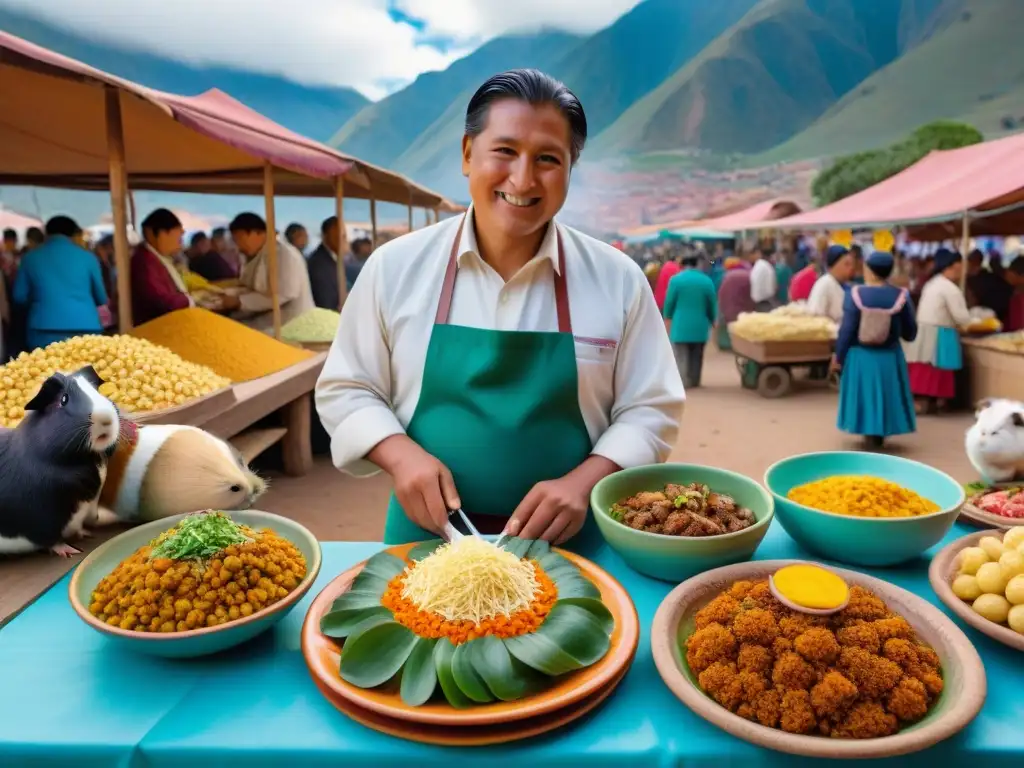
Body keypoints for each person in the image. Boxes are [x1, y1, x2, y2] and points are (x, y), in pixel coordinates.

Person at [315, 69, 685, 550]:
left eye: (548, 158)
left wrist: (585, 482)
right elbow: (349, 387)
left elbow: (650, 407)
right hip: (428, 537)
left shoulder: (617, 279)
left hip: (571, 540)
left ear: (570, 169)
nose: (523, 178)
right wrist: (401, 456)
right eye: (505, 151)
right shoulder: (395, 268)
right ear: (468, 155)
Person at [832, 250, 917, 449]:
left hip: (860, 357)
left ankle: (867, 432)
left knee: (864, 395)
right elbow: (910, 333)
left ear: (868, 270)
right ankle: (880, 433)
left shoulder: (854, 294)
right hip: (890, 357)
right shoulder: (902, 296)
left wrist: (839, 356)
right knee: (886, 395)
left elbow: (847, 330)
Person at [11, 215, 107, 350]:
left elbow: (19, 297)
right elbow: (101, 298)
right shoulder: (89, 258)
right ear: (74, 234)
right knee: (85, 370)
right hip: (86, 326)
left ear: (46, 233)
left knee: (47, 370)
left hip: (43, 328)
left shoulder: (30, 258)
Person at [902, 248, 971, 415]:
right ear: (953, 266)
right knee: (938, 368)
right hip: (941, 333)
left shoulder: (932, 283)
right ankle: (936, 402)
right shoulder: (950, 289)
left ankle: (923, 401)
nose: (962, 270)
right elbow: (962, 318)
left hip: (924, 330)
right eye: (961, 266)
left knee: (924, 368)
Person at [231, 212, 315, 332]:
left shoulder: (284, 254)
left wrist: (239, 301)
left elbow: (284, 294)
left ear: (257, 233)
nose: (238, 246)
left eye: (239, 239)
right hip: (264, 320)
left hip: (290, 324)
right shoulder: (256, 255)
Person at [663, 255, 717, 388]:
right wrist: (713, 319)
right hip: (700, 325)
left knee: (681, 355)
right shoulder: (706, 281)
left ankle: (683, 382)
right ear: (697, 264)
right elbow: (711, 304)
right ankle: (695, 381)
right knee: (697, 355)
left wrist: (667, 317)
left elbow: (669, 303)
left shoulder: (676, 280)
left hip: (680, 325)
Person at [807, 245, 855, 323]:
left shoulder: (847, 287)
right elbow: (815, 317)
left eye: (852, 264)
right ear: (833, 265)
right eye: (846, 264)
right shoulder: (824, 284)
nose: (851, 268)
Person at [716, 256, 753, 351]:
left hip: (727, 303)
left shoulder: (726, 275)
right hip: (743, 304)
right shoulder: (748, 273)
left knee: (726, 323)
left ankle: (725, 344)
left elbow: (719, 290)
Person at [307, 216, 344, 310]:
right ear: (325, 235)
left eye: (343, 236)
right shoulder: (319, 263)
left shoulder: (331, 259)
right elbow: (325, 303)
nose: (340, 239)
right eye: (336, 235)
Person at [748, 247, 777, 311]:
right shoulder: (764, 265)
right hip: (767, 300)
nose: (749, 257)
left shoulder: (760, 266)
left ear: (758, 253)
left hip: (763, 302)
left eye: (751, 254)